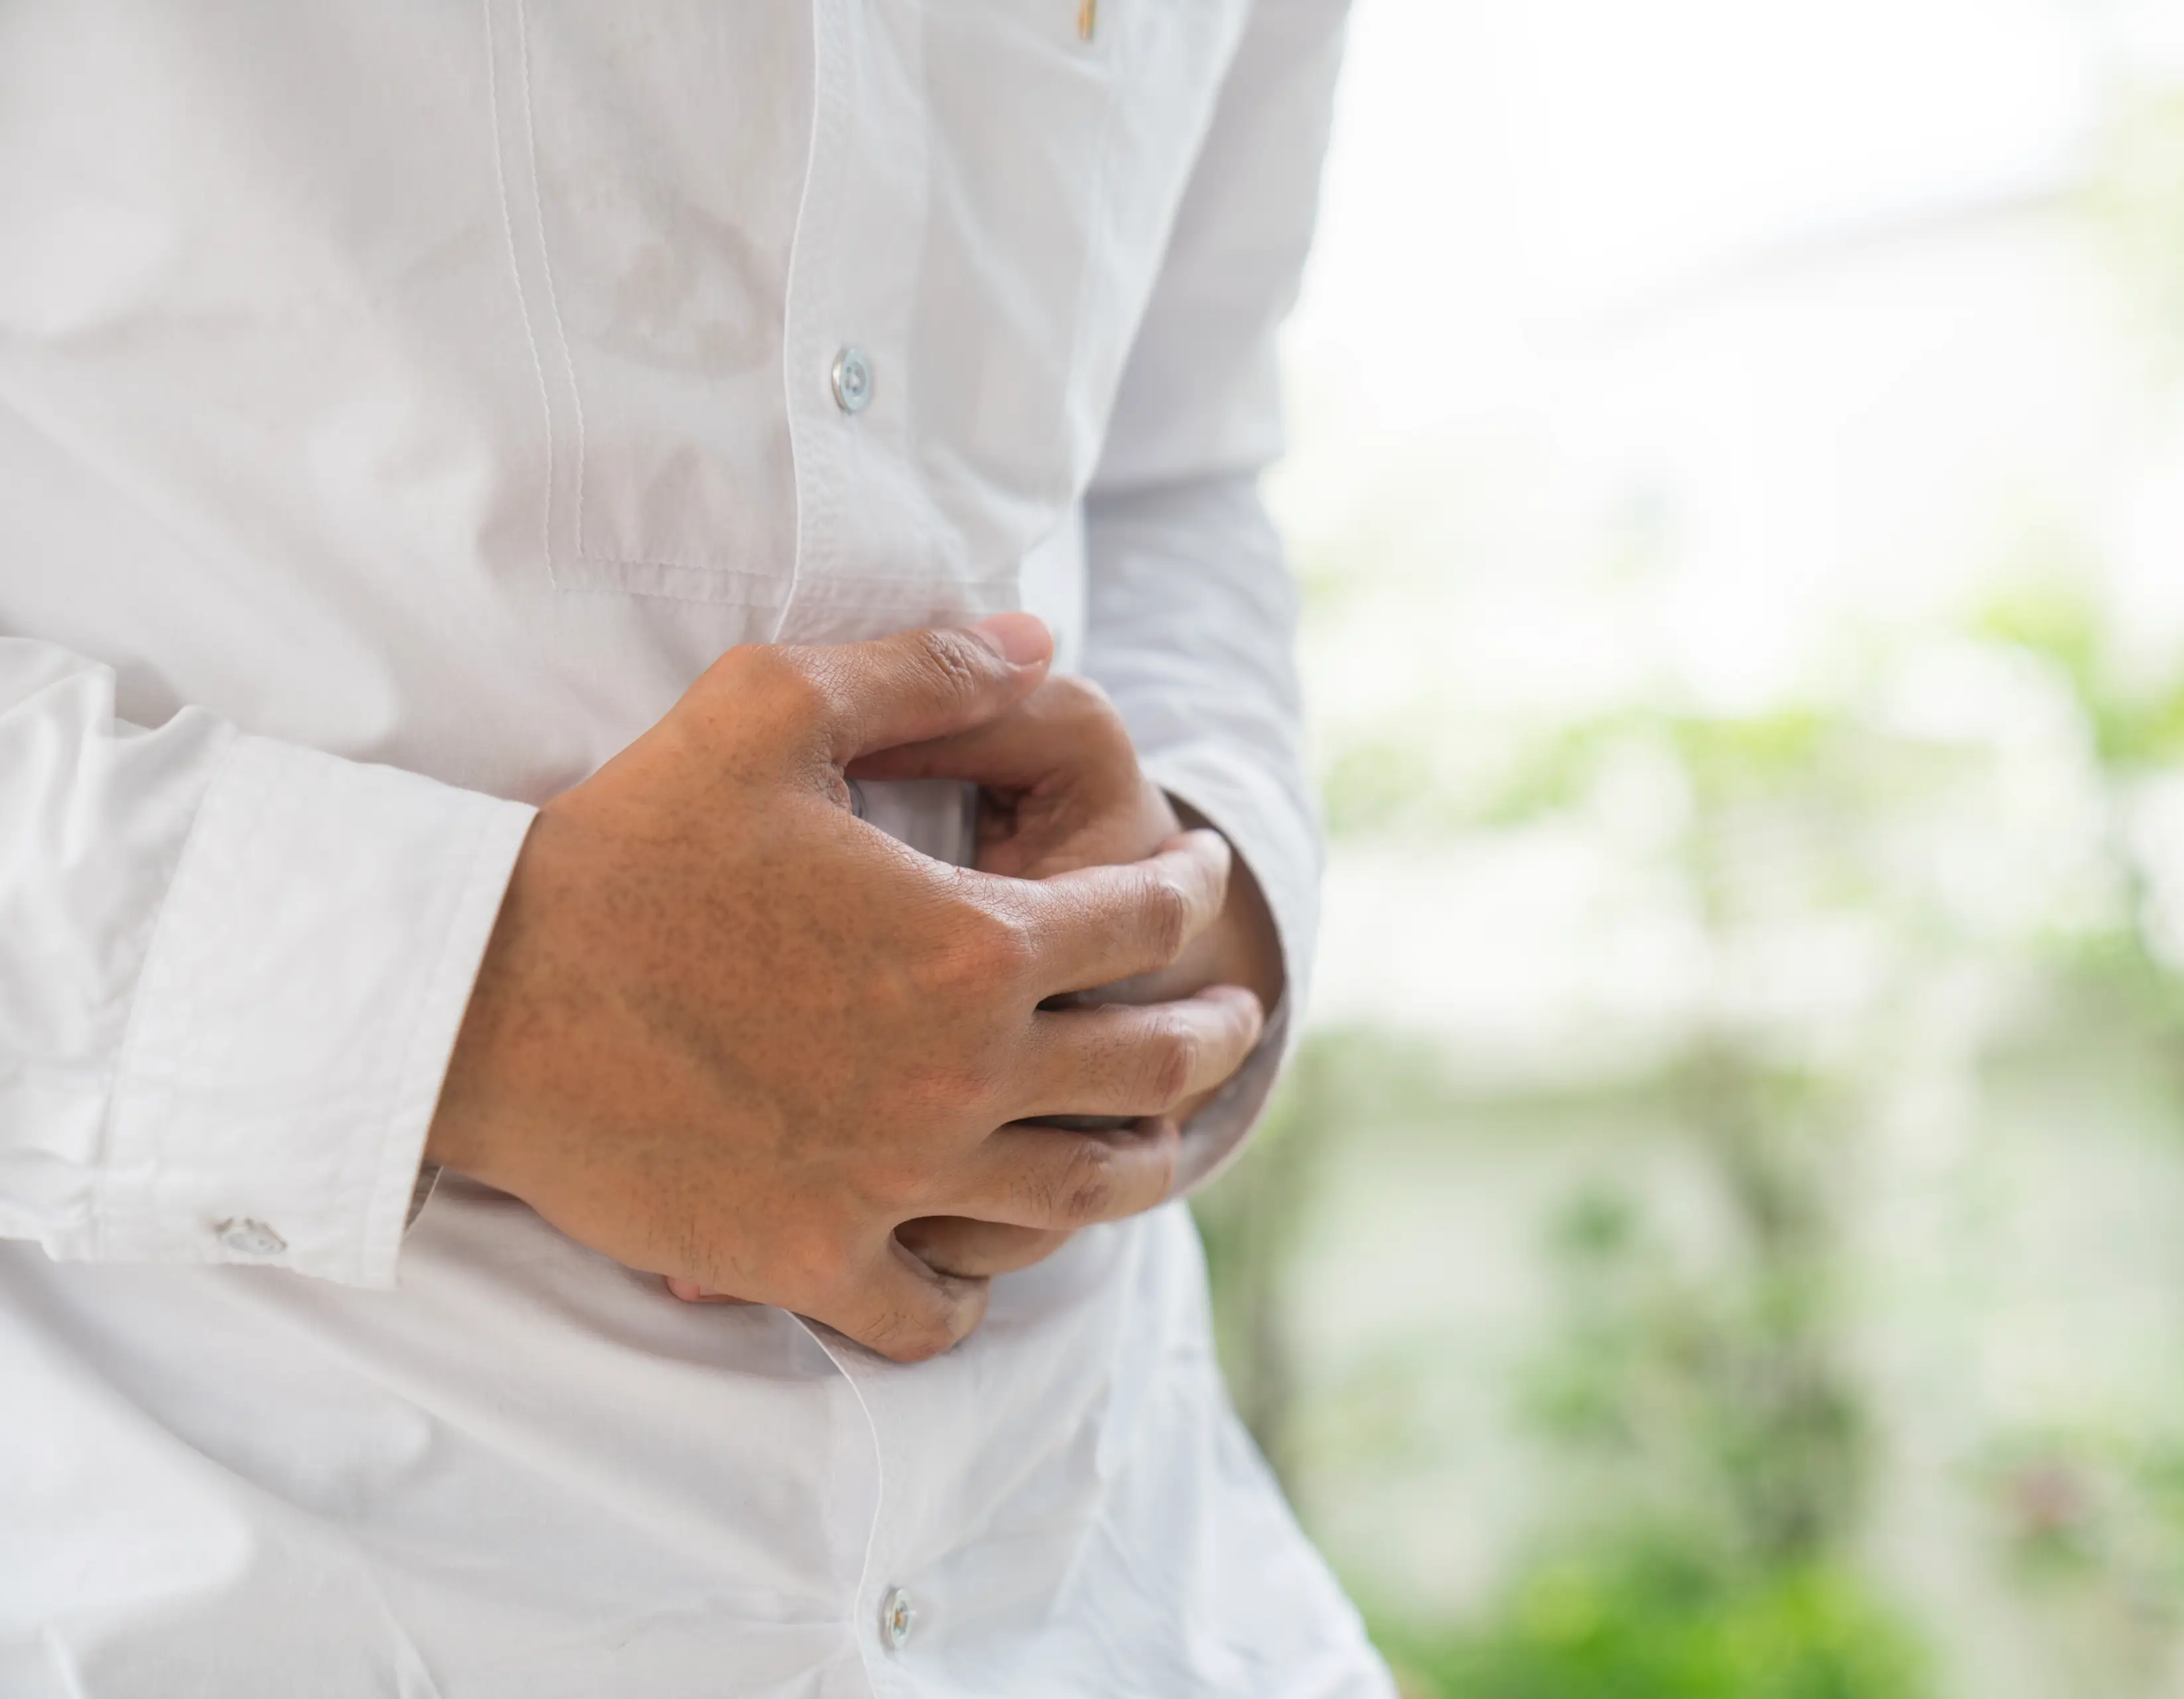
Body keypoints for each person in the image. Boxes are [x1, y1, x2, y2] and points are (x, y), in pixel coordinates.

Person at [0, 3, 1391, 1694]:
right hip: (206, 1586)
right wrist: (477, 998)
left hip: (1123, 1581)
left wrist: (1192, 905)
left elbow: (1176, 463)